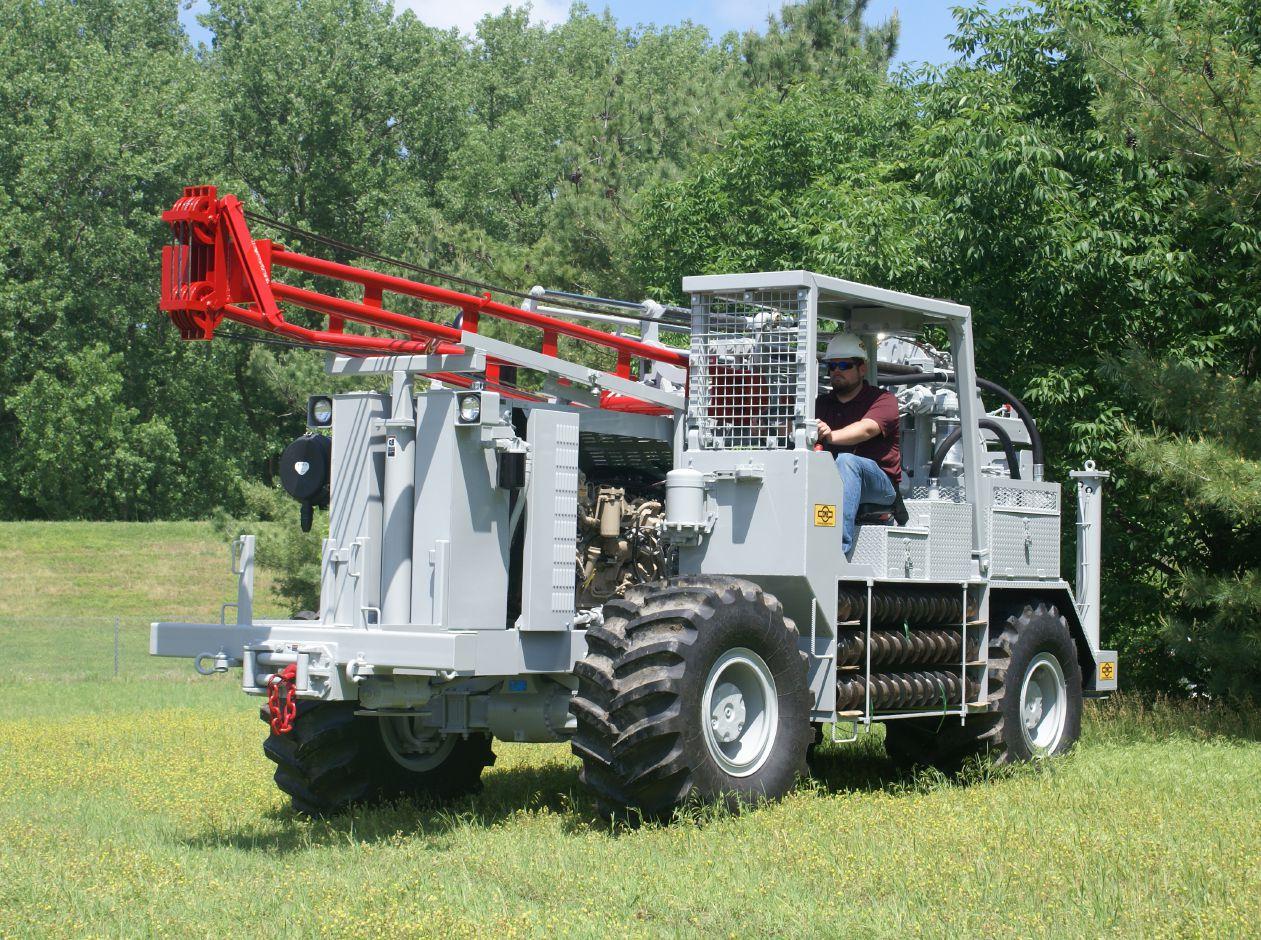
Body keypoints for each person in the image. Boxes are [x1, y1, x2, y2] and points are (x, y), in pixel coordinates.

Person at [814, 333, 901, 556]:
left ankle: (837, 551)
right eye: (832, 366)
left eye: (844, 365)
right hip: (832, 479)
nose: (837, 371)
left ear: (862, 369)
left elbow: (866, 429)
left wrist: (830, 435)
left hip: (880, 486)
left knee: (846, 462)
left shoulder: (883, 400)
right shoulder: (821, 404)